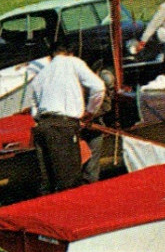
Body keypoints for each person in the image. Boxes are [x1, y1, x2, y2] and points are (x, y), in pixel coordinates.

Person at [23, 34, 106, 193]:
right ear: (70, 53)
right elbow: (99, 87)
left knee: (48, 181)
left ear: (50, 56)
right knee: (68, 180)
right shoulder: (73, 63)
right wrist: (90, 111)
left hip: (42, 127)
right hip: (63, 126)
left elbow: (34, 109)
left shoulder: (39, 76)